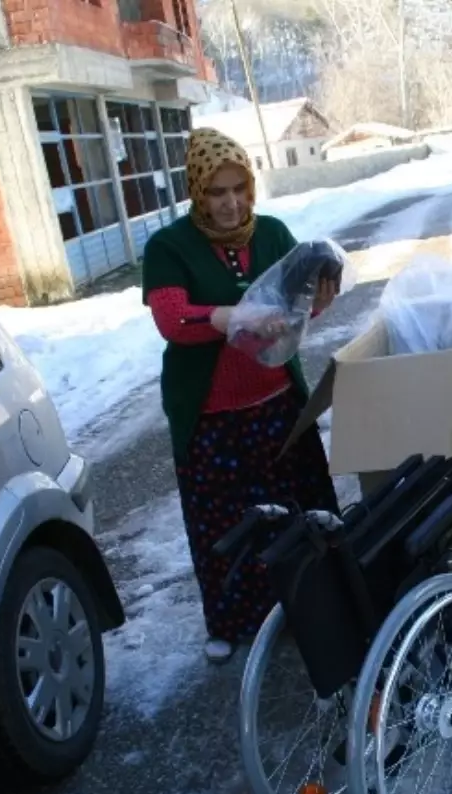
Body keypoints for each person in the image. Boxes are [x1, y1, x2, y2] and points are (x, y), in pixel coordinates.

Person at [141, 128, 342, 664]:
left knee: (299, 510)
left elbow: (297, 307)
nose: (231, 203)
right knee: (224, 524)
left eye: (239, 189)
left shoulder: (274, 234)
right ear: (196, 191)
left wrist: (318, 298)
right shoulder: (169, 247)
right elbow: (171, 320)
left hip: (277, 406)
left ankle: (311, 603)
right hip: (210, 419)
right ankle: (231, 620)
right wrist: (223, 317)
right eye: (217, 192)